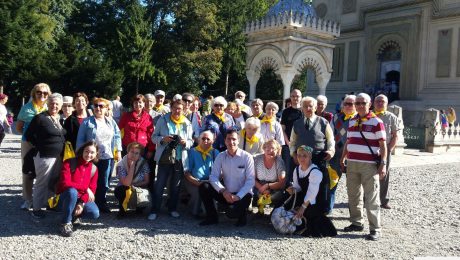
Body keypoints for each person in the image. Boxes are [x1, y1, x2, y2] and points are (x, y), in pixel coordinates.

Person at [340, 93, 387, 241]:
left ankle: (375, 229)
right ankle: (356, 222)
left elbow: (383, 145)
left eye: (363, 103)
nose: (360, 105)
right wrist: (343, 158)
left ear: (370, 104)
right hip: (352, 162)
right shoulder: (352, 120)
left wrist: (383, 164)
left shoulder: (376, 122)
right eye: (358, 103)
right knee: (353, 195)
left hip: (369, 165)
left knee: (371, 197)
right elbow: (348, 141)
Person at [199, 129, 255, 226]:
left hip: (243, 194)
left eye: (234, 139)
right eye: (228, 139)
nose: (231, 142)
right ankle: (212, 217)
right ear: (225, 141)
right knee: (204, 186)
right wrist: (223, 191)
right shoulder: (221, 156)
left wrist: (238, 196)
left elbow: (250, 181)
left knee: (231, 213)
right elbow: (213, 177)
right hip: (226, 193)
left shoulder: (247, 157)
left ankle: (242, 216)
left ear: (238, 141)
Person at [148, 100, 193, 220]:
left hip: (179, 157)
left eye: (180, 109)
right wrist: (163, 139)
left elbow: (191, 141)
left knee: (176, 185)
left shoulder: (187, 123)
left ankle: (172, 208)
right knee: (160, 184)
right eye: (175, 108)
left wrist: (185, 142)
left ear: (184, 110)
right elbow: (153, 137)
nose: (177, 111)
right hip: (165, 157)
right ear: (171, 108)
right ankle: (155, 209)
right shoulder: (163, 120)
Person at [76, 97, 122, 213]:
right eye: (95, 105)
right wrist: (80, 156)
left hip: (107, 156)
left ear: (106, 109)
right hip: (91, 157)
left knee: (104, 181)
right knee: (89, 179)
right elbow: (80, 140)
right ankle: (87, 202)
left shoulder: (111, 121)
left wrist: (119, 152)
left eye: (101, 106)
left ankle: (101, 202)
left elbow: (117, 136)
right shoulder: (87, 122)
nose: (98, 108)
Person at [25, 93, 66, 218]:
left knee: (53, 182)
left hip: (58, 156)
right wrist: (39, 145)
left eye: (57, 104)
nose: (54, 106)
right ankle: (36, 208)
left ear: (60, 106)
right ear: (47, 104)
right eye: (52, 103)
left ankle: (50, 204)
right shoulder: (40, 118)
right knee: (42, 182)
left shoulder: (59, 118)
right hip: (44, 156)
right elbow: (28, 135)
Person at [285, 145, 337, 237]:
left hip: (316, 200)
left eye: (304, 156)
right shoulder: (296, 170)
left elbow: (312, 193)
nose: (301, 158)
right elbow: (298, 188)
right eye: (299, 155)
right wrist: (292, 189)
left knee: (308, 213)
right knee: (286, 203)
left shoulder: (315, 172)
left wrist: (302, 207)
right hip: (305, 196)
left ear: (310, 157)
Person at [17, 83, 51, 210]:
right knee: (27, 171)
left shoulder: (50, 107)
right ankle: (27, 199)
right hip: (28, 143)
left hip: (45, 144)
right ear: (34, 93)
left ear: (49, 95)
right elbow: (19, 127)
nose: (42, 95)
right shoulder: (26, 108)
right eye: (39, 92)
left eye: (45, 93)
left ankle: (43, 198)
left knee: (45, 170)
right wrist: (31, 137)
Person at [56, 141, 100, 237]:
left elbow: (92, 189)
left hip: (81, 197)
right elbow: (65, 183)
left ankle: (73, 216)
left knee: (94, 213)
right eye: (86, 151)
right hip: (66, 196)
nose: (89, 155)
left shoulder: (94, 169)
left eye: (92, 152)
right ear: (82, 151)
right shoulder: (69, 162)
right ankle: (65, 223)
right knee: (72, 192)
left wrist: (82, 203)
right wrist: (85, 188)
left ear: (96, 154)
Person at [289, 96, 335, 188]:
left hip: (319, 158)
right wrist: (293, 154)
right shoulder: (297, 124)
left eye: (310, 106)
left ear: (315, 108)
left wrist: (331, 151)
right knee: (303, 187)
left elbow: (330, 140)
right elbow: (292, 142)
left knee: (319, 188)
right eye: (305, 106)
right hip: (301, 159)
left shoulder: (324, 122)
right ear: (302, 108)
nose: (308, 108)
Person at [328, 94, 356, 214]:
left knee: (353, 187)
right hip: (336, 154)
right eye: (346, 103)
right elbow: (329, 136)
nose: (348, 106)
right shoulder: (335, 117)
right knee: (332, 183)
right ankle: (328, 209)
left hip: (353, 156)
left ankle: (354, 215)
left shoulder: (360, 119)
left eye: (351, 104)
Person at [183, 131, 220, 217]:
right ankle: (196, 211)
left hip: (211, 181)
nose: (205, 141)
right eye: (203, 138)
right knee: (198, 192)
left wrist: (212, 182)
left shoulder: (216, 152)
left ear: (213, 141)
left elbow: (220, 172)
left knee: (209, 190)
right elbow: (187, 172)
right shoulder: (192, 152)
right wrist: (198, 183)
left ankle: (210, 213)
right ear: (199, 140)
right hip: (193, 181)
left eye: (208, 139)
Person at [374, 94, 400, 209]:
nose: (380, 103)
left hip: (385, 150)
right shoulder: (369, 116)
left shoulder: (392, 117)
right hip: (370, 150)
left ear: (386, 104)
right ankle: (367, 199)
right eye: (378, 101)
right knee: (367, 174)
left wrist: (389, 149)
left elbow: (395, 135)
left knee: (384, 175)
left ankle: (384, 200)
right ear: (374, 103)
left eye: (382, 101)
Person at [114, 142, 151, 218]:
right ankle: (122, 210)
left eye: (137, 153)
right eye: (132, 152)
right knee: (123, 189)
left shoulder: (143, 163)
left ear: (140, 154)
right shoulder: (121, 164)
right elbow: (126, 183)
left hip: (138, 187)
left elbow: (146, 181)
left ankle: (139, 207)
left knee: (145, 193)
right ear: (128, 152)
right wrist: (132, 166)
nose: (134, 155)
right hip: (124, 187)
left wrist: (134, 186)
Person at [253, 139, 287, 210]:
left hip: (274, 187)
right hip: (259, 186)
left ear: (277, 150)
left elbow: (282, 183)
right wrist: (262, 189)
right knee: (254, 192)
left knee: (274, 196)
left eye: (273, 148)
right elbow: (252, 179)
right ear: (264, 149)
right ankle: (260, 207)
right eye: (267, 148)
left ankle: (269, 208)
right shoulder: (257, 159)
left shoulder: (280, 162)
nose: (270, 151)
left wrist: (267, 186)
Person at [280, 89, 302, 182]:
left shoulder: (304, 111)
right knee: (288, 170)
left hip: (302, 145)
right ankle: (288, 193)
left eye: (297, 96)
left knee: (302, 169)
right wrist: (288, 142)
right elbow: (283, 129)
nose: (295, 98)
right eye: (293, 96)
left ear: (301, 97)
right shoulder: (286, 112)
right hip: (288, 145)